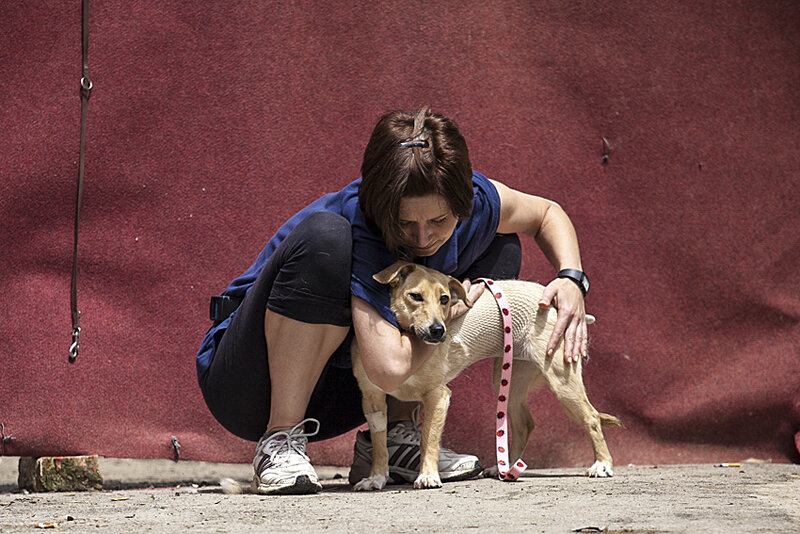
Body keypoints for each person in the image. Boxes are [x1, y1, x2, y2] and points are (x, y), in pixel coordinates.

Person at [195, 107, 590, 495]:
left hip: (343, 390)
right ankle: (279, 442)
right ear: (381, 207)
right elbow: (387, 369)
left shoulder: (478, 203)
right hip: (248, 383)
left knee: (502, 248)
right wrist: (449, 313)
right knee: (325, 238)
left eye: (439, 221)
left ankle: (395, 437)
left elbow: (546, 214)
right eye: (405, 223)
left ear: (464, 203)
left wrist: (571, 278)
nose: (422, 238)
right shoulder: (360, 220)